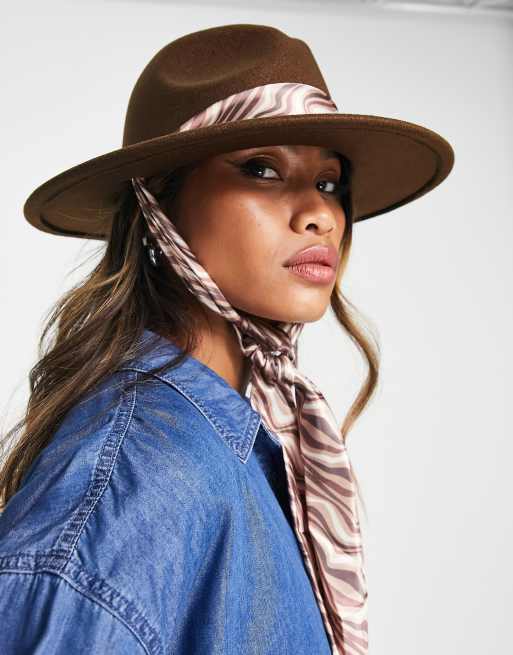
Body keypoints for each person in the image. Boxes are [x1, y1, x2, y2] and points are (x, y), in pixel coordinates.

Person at [0, 23, 454, 655]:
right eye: (262, 170)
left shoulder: (236, 442)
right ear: (160, 208)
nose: (319, 214)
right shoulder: (145, 473)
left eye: (328, 182)